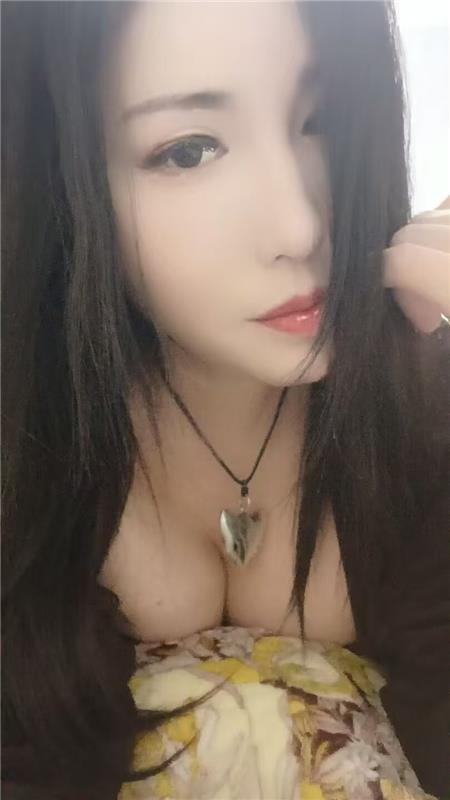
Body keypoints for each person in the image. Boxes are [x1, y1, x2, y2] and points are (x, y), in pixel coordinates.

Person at [2, 1, 449, 798]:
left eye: (319, 120)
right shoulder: (25, 435)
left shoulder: (421, 399)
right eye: (188, 149)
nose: (300, 227)